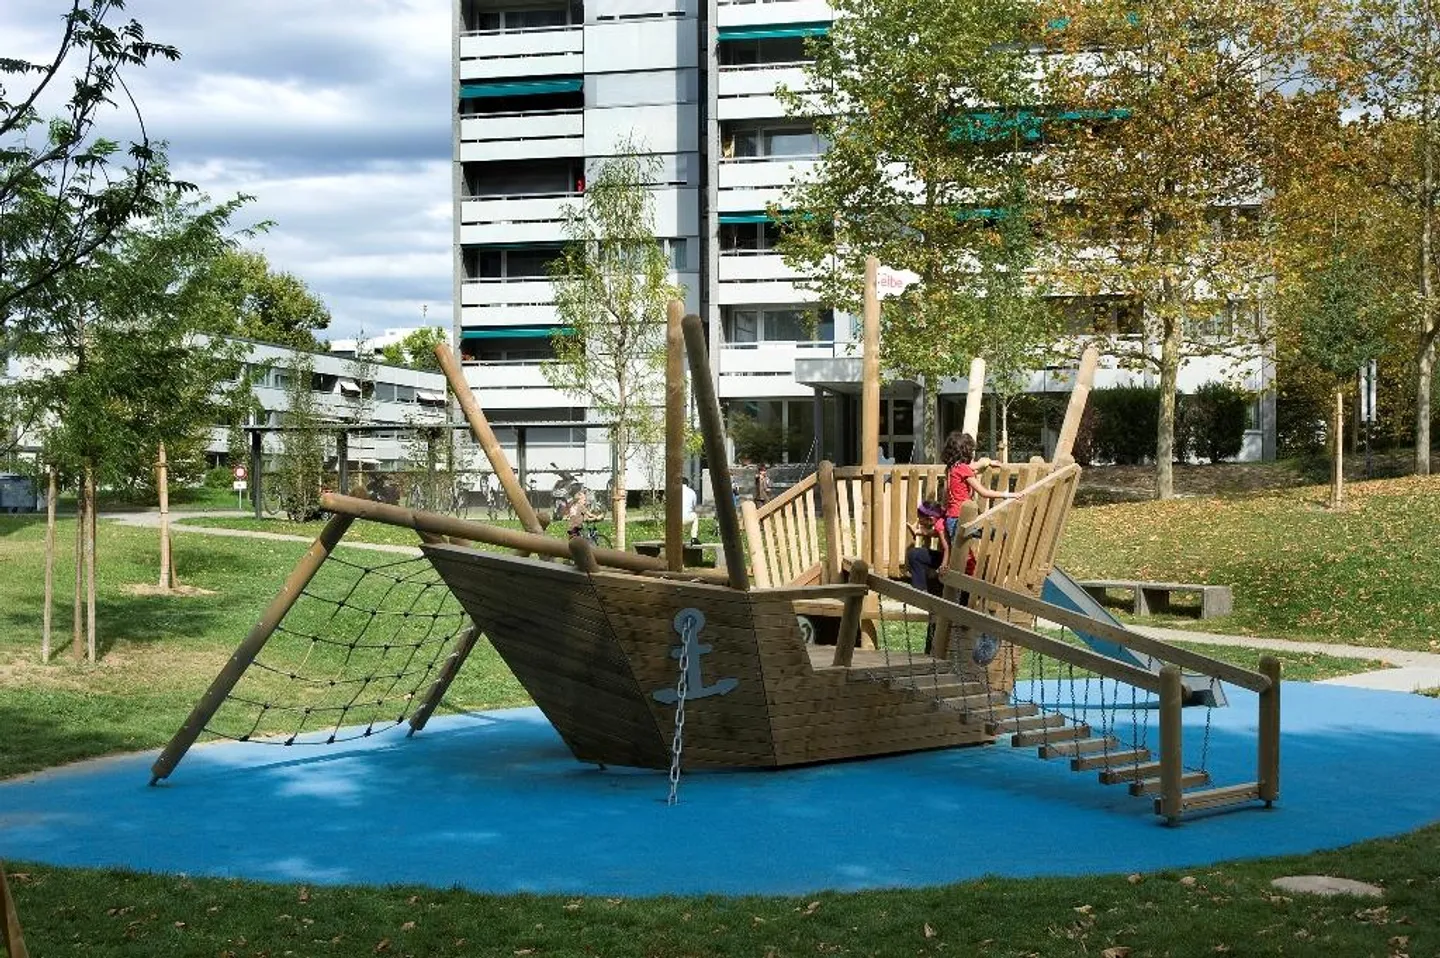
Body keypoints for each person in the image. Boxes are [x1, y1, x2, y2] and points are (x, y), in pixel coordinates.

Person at [679, 477, 699, 544]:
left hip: (675, 518)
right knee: (695, 516)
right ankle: (694, 537)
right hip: (687, 517)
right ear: (687, 484)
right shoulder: (692, 492)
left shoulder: (675, 491)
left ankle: (676, 538)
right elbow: (694, 506)